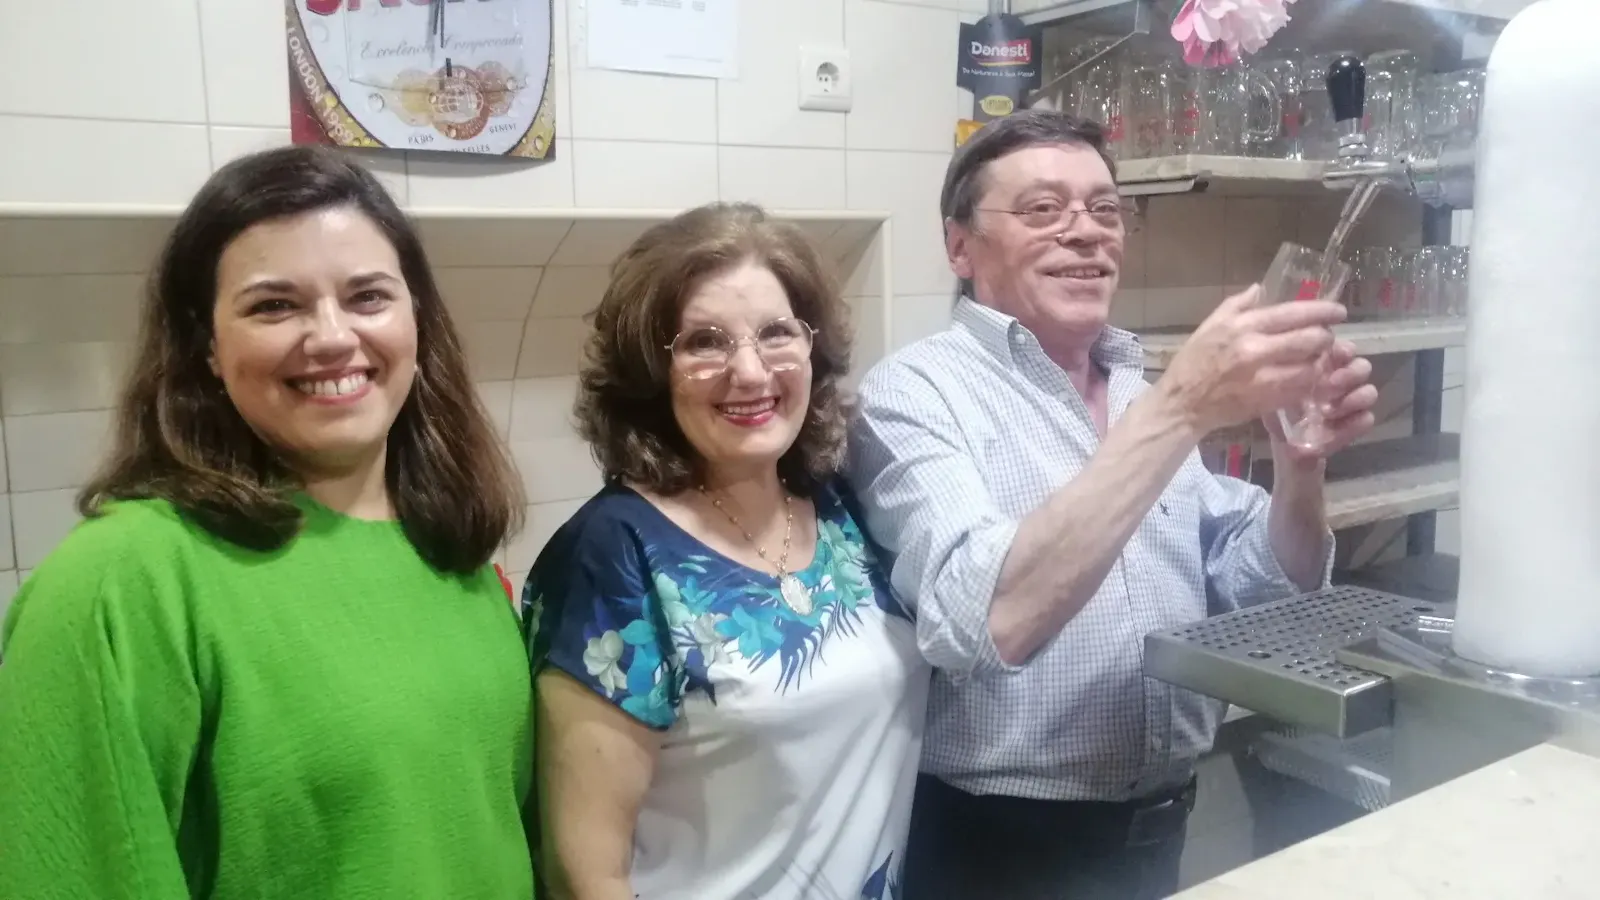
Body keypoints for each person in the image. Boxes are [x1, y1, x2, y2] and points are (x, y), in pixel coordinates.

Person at [846, 110, 1379, 899]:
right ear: (960, 245)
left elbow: (1265, 591)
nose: (1086, 231)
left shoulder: (1134, 387)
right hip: (1000, 848)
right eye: (1042, 209)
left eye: (1105, 209)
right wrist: (1184, 406)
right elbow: (987, 618)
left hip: (1158, 829)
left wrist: (1300, 469)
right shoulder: (915, 392)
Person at [0, 146, 535, 898]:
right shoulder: (121, 582)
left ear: (418, 320)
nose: (333, 336)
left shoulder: (449, 551)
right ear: (207, 348)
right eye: (274, 306)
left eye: (368, 297)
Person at [527, 202, 928, 900]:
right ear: (652, 372)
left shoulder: (843, 510)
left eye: (776, 333)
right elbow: (585, 875)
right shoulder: (613, 556)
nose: (749, 371)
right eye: (704, 342)